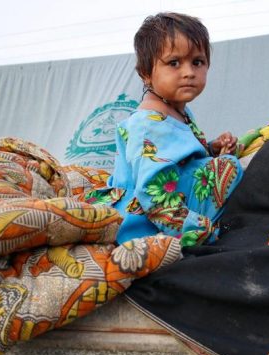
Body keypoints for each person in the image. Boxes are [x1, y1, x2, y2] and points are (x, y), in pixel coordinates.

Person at [86, 12, 243, 247]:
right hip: (144, 223)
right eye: (174, 63)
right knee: (228, 167)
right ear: (146, 73)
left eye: (197, 62)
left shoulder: (179, 111)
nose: (189, 72)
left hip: (168, 201)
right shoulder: (148, 124)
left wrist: (212, 148)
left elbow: (178, 156)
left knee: (225, 163)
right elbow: (153, 194)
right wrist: (198, 231)